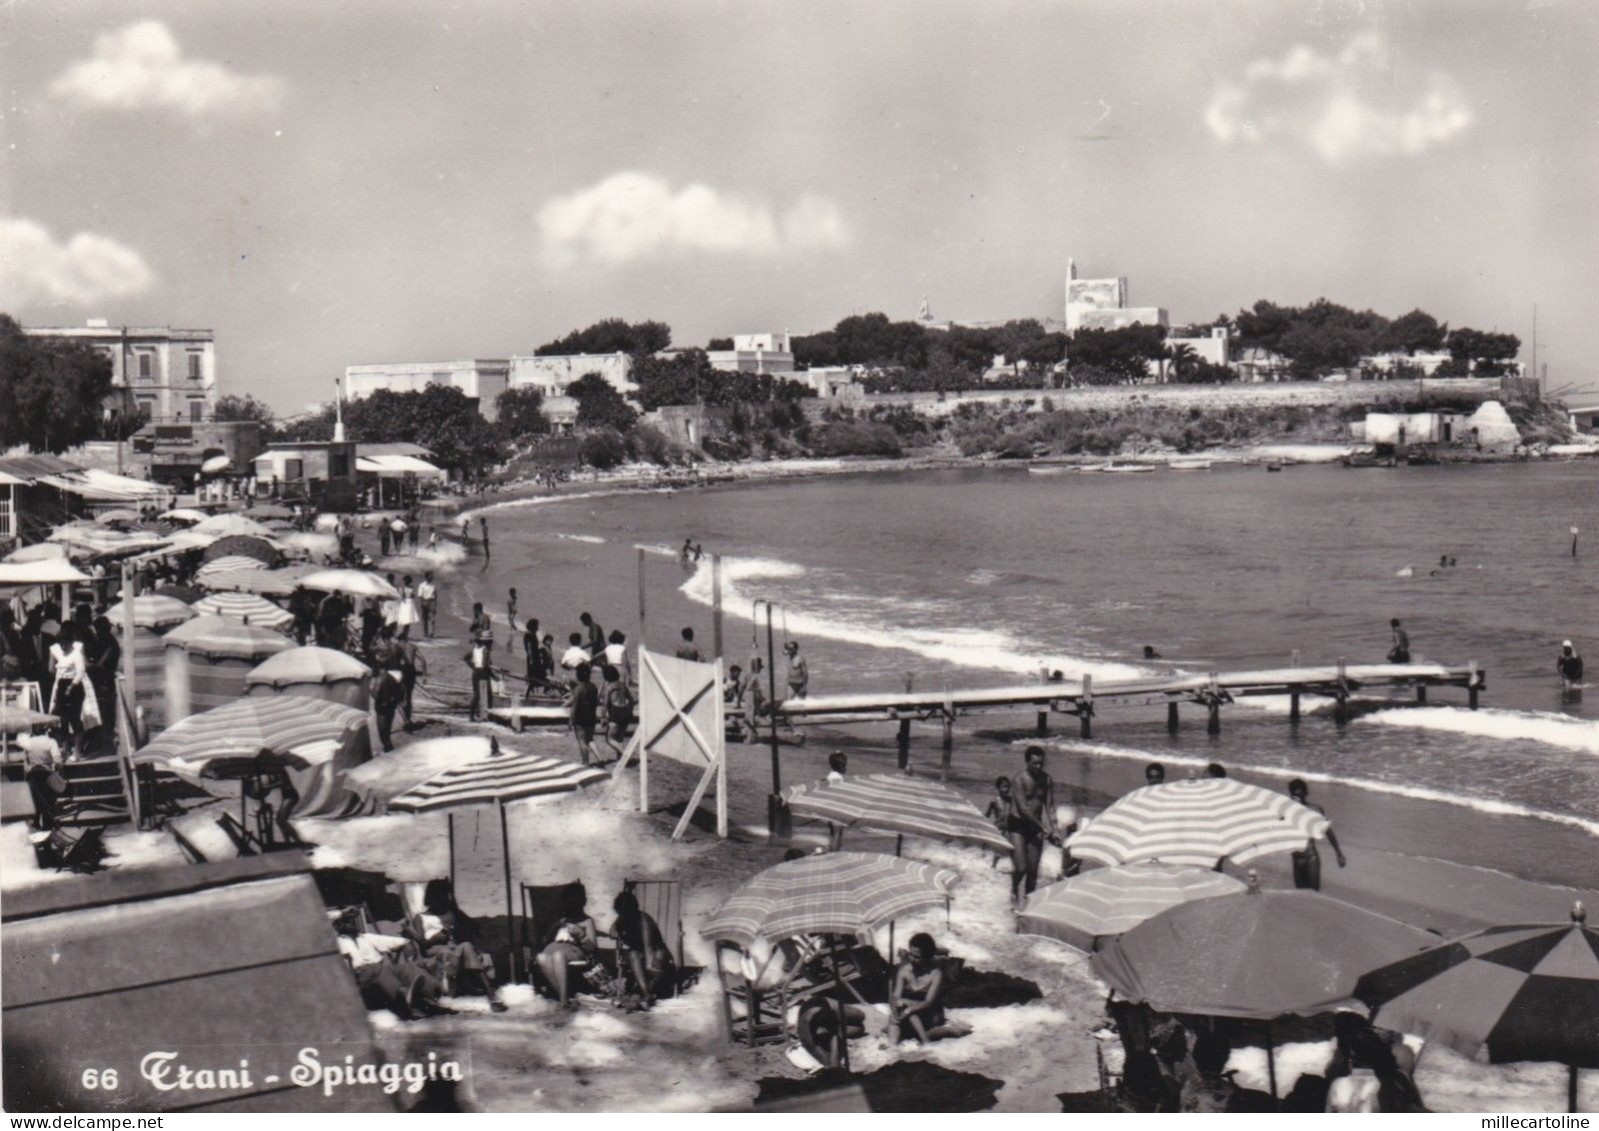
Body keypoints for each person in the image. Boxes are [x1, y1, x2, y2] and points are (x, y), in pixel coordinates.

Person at [404, 884, 507, 1012]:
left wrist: (457, 930)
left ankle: (490, 994)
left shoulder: (451, 912)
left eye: (443, 897)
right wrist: (435, 938)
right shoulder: (421, 917)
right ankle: (450, 994)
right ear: (430, 898)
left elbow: (472, 926)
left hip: (453, 946)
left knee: (467, 946)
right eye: (437, 897)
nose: (441, 900)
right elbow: (421, 944)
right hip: (434, 949)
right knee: (447, 952)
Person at [334, 911, 450, 1020]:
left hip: (379, 970)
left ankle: (437, 989)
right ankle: (406, 994)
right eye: (348, 921)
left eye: (353, 920)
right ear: (339, 925)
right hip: (360, 977)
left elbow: (401, 941)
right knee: (382, 971)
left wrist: (407, 945)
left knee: (407, 967)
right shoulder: (336, 943)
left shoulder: (366, 937)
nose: (353, 923)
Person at [888, 933, 966, 1045]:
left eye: (917, 957)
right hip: (911, 1013)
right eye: (910, 954)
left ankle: (925, 1041)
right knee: (894, 1017)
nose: (912, 959)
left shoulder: (935, 973)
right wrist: (895, 1009)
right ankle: (892, 1047)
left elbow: (928, 1002)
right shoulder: (904, 971)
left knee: (910, 1013)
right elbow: (895, 997)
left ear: (927, 957)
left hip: (931, 1013)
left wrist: (907, 1008)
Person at [1006, 745, 1059, 908]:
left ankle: (1027, 905)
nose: (1038, 767)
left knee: (1032, 871)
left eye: (1041, 764)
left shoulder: (1047, 779)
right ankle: (1014, 889)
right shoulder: (1019, 779)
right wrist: (1043, 828)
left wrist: (1055, 830)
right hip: (1018, 825)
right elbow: (1023, 809)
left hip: (1036, 827)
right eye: (1035, 763)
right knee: (1021, 867)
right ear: (1027, 762)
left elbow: (1049, 806)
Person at [536, 883, 600, 1008]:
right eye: (568, 903)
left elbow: (592, 949)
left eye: (575, 903)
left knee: (557, 955)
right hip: (554, 947)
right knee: (541, 957)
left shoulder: (587, 921)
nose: (572, 906)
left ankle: (563, 1002)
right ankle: (565, 997)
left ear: (582, 903)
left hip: (575, 950)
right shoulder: (561, 920)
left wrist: (581, 935)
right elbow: (544, 941)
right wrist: (555, 925)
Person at [610, 889, 675, 1009]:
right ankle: (646, 995)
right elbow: (612, 934)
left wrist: (649, 966)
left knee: (657, 955)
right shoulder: (622, 920)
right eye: (620, 913)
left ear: (633, 910)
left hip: (657, 952)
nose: (623, 916)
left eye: (624, 914)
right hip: (640, 955)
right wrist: (618, 922)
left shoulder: (643, 920)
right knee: (633, 954)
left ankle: (641, 996)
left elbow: (648, 946)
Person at [1287, 778, 1347, 890]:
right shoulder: (1288, 811)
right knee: (1301, 895)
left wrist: (1338, 853)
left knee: (1313, 892)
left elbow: (1328, 831)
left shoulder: (1315, 810)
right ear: (1291, 795)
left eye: (1301, 795)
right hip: (1296, 857)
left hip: (1311, 857)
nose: (1298, 798)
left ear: (1306, 793)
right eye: (1295, 795)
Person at [47, 624, 92, 757]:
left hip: (74, 687)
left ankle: (78, 751)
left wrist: (71, 687)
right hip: (62, 686)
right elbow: (52, 670)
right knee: (63, 720)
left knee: (74, 719)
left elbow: (80, 673)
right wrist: (58, 692)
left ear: (70, 642)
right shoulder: (61, 654)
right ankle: (65, 748)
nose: (62, 647)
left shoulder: (76, 654)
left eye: (64, 644)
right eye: (60, 644)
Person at [372, 626, 406, 752]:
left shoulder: (381, 649)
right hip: (397, 677)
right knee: (390, 709)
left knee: (380, 712)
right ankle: (388, 744)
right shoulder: (397, 648)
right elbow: (405, 662)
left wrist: (375, 637)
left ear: (382, 637)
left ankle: (387, 744)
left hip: (385, 679)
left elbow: (370, 650)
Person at [599, 664, 633, 761]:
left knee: (609, 739)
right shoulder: (622, 685)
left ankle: (626, 755)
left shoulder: (609, 687)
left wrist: (602, 717)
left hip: (615, 711)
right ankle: (621, 760)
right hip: (625, 710)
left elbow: (605, 704)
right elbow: (631, 700)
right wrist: (630, 711)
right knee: (620, 738)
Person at [570, 662, 600, 765]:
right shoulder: (594, 687)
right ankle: (599, 758)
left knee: (582, 741)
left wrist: (571, 720)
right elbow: (595, 702)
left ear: (578, 675)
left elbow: (575, 707)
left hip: (581, 717)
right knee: (590, 738)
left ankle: (585, 763)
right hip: (591, 716)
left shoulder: (578, 689)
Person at [465, 624, 495, 723]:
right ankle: (487, 715)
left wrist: (473, 666)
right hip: (483, 673)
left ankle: (473, 715)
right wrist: (494, 676)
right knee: (488, 694)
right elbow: (486, 665)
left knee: (477, 694)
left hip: (475, 672)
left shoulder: (475, 649)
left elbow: (466, 658)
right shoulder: (486, 650)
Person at [399, 632, 426, 730]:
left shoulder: (399, 647)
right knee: (409, 696)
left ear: (401, 640)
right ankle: (409, 718)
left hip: (402, 670)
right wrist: (424, 675)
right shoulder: (413, 647)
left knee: (400, 697)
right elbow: (423, 660)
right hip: (411, 670)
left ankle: (405, 719)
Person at [396, 575, 420, 641]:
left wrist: (410, 595)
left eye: (406, 580)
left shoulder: (410, 588)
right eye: (404, 580)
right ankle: (403, 634)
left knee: (408, 620)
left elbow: (413, 596)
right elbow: (402, 597)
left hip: (409, 603)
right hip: (405, 604)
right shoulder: (403, 588)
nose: (405, 581)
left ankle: (405, 634)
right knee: (405, 620)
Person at [417, 571, 438, 638]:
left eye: (432, 576)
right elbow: (420, 596)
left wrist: (435, 603)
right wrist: (421, 604)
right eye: (430, 576)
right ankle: (425, 633)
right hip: (424, 601)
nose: (432, 577)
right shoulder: (422, 585)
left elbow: (435, 595)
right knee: (425, 618)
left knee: (432, 618)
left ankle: (432, 633)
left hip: (432, 602)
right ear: (426, 577)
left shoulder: (433, 586)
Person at [506, 588, 519, 652]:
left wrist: (514, 610)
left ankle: (514, 631)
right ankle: (513, 632)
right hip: (512, 612)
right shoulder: (513, 598)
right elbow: (513, 605)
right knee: (511, 622)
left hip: (511, 612)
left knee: (511, 622)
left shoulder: (513, 598)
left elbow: (512, 605)